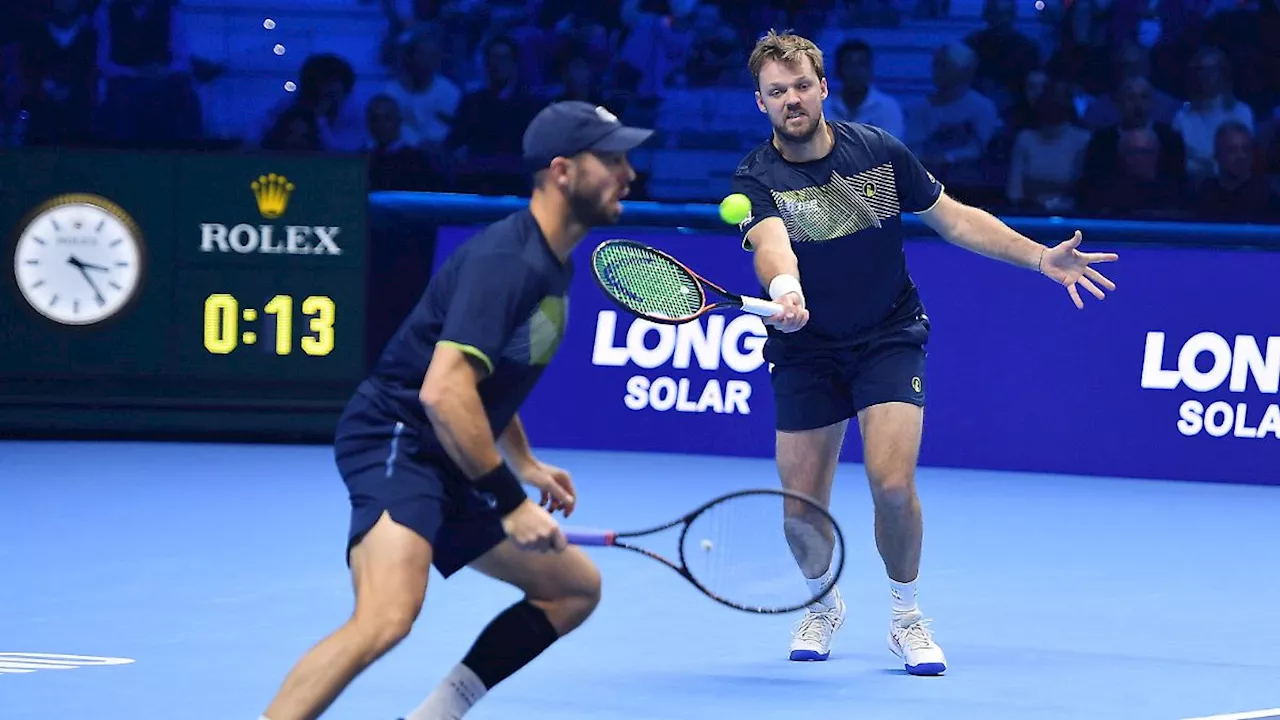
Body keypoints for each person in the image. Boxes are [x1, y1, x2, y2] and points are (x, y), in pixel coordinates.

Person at [729, 30, 1118, 675]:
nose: (792, 100)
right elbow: (774, 245)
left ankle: (906, 614)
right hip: (806, 349)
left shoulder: (877, 155)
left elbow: (956, 219)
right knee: (800, 514)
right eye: (778, 92)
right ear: (761, 103)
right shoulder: (758, 176)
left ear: (823, 87)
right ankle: (822, 602)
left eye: (801, 86)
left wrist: (1039, 257)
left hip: (887, 334)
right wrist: (786, 288)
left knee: (891, 483)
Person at [257, 100, 653, 720]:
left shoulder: (555, 263)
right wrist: (513, 503)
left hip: (454, 457)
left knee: (573, 589)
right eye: (610, 159)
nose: (628, 173)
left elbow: (485, 382)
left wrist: (524, 463)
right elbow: (443, 392)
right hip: (402, 442)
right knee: (386, 618)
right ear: (561, 171)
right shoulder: (508, 262)